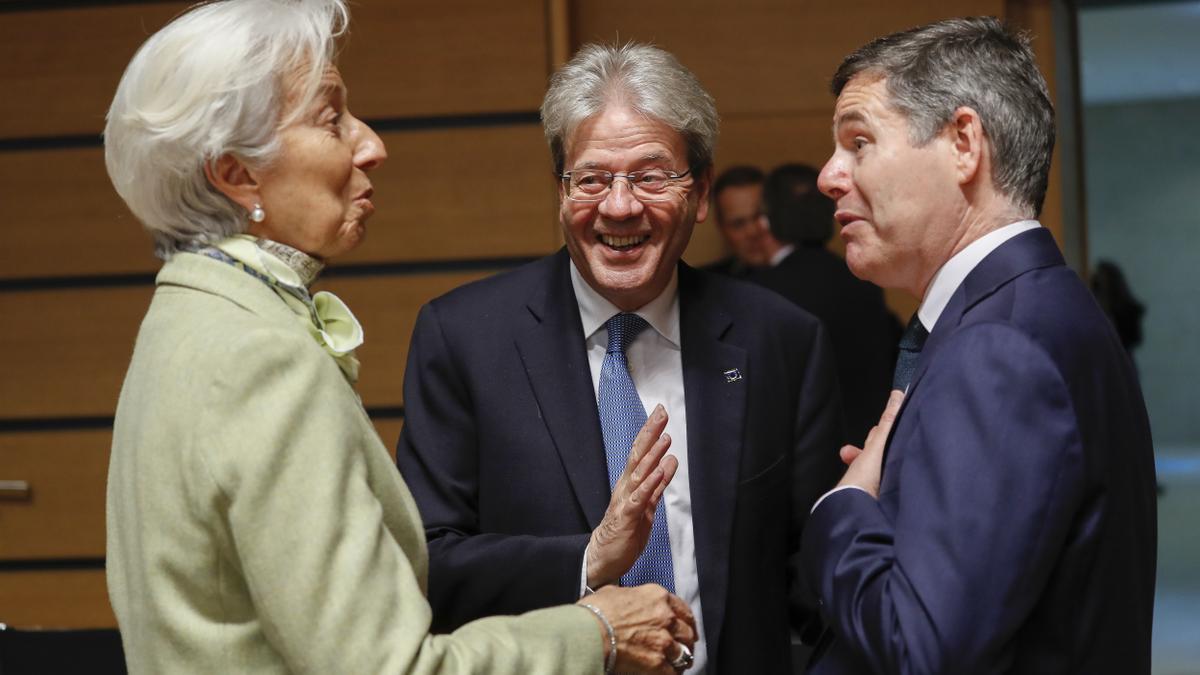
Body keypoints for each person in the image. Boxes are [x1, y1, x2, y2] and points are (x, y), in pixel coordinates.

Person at [102, 2, 696, 673]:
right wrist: (598, 632)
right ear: (237, 174)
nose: (371, 144)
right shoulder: (259, 355)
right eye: (331, 119)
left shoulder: (183, 322)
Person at [395, 42, 844, 673]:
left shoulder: (780, 340)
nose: (620, 207)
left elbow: (807, 577)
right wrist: (587, 559)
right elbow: (427, 563)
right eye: (593, 178)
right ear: (560, 190)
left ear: (703, 190)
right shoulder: (466, 339)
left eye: (651, 176)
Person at [800, 17, 1157, 674]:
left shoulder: (997, 347)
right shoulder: (1039, 306)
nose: (828, 176)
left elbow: (922, 646)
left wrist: (844, 509)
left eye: (858, 142)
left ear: (964, 143)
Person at [754, 163, 898, 444]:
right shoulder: (864, 279)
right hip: (868, 444)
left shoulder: (763, 293)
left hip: (805, 449)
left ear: (766, 221)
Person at [704, 166, 788, 277]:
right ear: (721, 228)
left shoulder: (811, 270)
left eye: (760, 216)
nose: (753, 232)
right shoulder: (706, 284)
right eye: (738, 224)